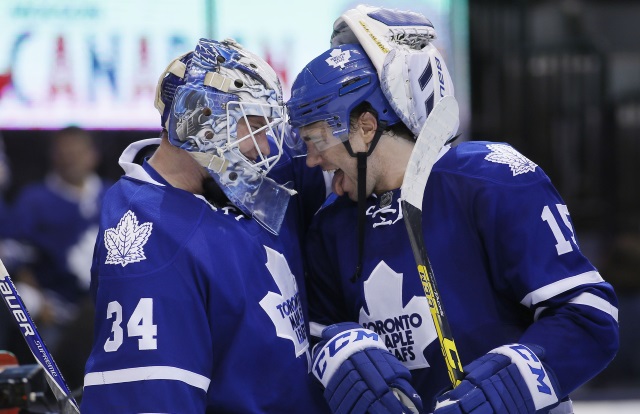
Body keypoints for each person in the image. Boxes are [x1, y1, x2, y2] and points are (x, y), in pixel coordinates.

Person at [285, 8, 619, 414]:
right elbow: (317, 337)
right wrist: (338, 357)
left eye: (318, 138)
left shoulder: (490, 179)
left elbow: (589, 317)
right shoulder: (331, 225)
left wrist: (506, 389)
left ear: (366, 127)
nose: (311, 160)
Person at [80, 38, 328, 413]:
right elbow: (153, 401)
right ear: (200, 121)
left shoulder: (233, 178)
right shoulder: (151, 243)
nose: (266, 145)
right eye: (253, 127)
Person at [0, 126, 109, 389]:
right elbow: (16, 258)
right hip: (57, 310)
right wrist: (39, 303)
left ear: (92, 155)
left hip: (109, 307)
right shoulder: (34, 200)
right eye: (64, 153)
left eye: (77, 152)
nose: (70, 158)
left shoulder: (115, 194)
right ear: (53, 156)